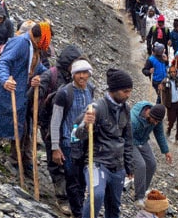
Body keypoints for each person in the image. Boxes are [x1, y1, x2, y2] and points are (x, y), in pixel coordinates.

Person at [75, 68, 136, 218]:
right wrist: (86, 124)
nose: (128, 95)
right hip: (97, 162)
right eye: (125, 91)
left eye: (129, 91)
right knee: (96, 195)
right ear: (114, 90)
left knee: (114, 206)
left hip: (118, 166)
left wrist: (129, 165)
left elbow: (127, 139)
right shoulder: (96, 108)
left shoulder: (125, 109)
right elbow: (77, 134)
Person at [0, 21, 51, 171]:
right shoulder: (20, 43)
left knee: (23, 125)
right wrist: (5, 79)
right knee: (16, 124)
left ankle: (24, 158)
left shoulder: (34, 48)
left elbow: (37, 67)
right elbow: (3, 62)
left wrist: (44, 75)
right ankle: (14, 159)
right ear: (38, 38)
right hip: (10, 88)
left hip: (21, 91)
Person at [37, 44, 85, 211]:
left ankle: (74, 199)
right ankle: (62, 198)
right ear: (68, 62)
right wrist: (39, 121)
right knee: (56, 162)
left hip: (70, 127)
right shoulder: (50, 76)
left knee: (72, 164)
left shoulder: (74, 78)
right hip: (50, 126)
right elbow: (34, 98)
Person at [51, 58, 95, 217]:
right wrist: (55, 147)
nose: (82, 76)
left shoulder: (90, 89)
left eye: (85, 73)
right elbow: (55, 120)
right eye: (78, 73)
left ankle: (80, 207)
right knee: (72, 177)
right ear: (73, 74)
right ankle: (77, 212)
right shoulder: (64, 93)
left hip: (86, 142)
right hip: (68, 141)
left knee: (83, 178)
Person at [130, 101, 171, 207]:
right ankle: (138, 198)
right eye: (155, 120)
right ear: (149, 114)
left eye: (158, 121)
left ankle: (142, 190)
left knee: (152, 164)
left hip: (143, 140)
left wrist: (166, 151)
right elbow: (124, 139)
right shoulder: (134, 120)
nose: (156, 123)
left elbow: (159, 134)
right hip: (130, 142)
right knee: (140, 165)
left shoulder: (156, 118)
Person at [159, 64, 178, 147]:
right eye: (171, 72)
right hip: (171, 105)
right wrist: (160, 88)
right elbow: (161, 93)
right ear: (169, 73)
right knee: (171, 120)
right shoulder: (165, 81)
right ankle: (169, 129)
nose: (173, 73)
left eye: (174, 72)